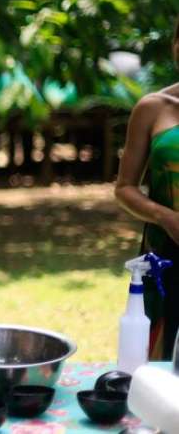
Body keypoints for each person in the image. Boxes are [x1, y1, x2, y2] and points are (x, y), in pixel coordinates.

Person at [115, 19, 179, 361]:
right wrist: (166, 217)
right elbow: (125, 188)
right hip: (165, 262)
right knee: (157, 366)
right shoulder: (153, 108)